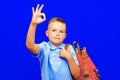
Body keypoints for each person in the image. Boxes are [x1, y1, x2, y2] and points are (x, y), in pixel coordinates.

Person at [26, 4, 80, 80]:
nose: (57, 34)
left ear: (65, 36)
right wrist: (33, 24)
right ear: (47, 33)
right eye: (54, 30)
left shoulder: (68, 48)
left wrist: (69, 57)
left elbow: (77, 74)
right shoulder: (44, 48)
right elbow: (30, 46)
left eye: (61, 31)